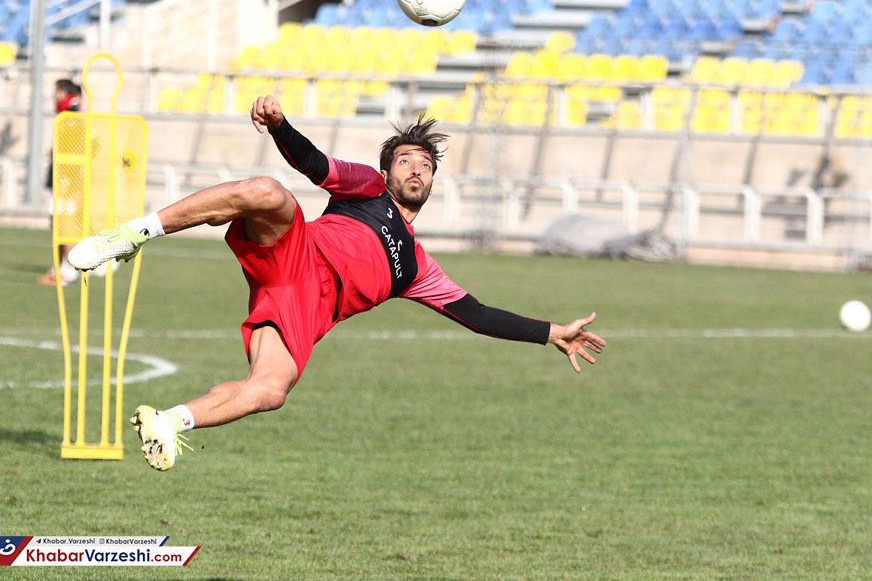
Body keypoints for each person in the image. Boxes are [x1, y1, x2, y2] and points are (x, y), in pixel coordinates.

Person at [68, 95, 607, 471]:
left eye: (424, 165)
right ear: (388, 171)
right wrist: (280, 125)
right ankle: (134, 234)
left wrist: (551, 331)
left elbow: (479, 314)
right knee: (266, 191)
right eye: (405, 161)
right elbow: (315, 164)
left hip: (304, 312)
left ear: (433, 182)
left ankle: (168, 422)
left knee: (270, 390)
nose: (415, 170)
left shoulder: (418, 268)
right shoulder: (367, 188)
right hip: (295, 251)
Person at [38, 78, 83, 286]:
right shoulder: (68, 113)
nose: (53, 94)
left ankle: (68, 270)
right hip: (63, 176)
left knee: (64, 223)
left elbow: (90, 143)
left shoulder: (73, 114)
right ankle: (59, 268)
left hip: (67, 178)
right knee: (57, 221)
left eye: (56, 90)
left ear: (64, 92)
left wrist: (69, 168)